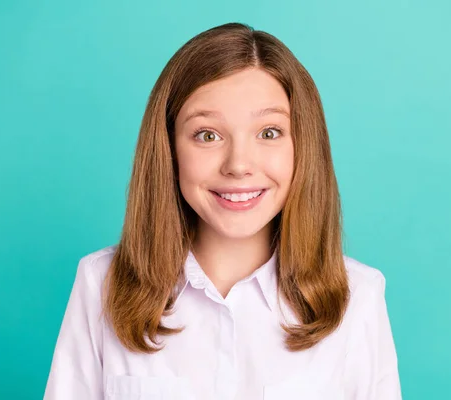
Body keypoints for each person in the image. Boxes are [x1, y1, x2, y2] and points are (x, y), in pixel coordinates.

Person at [43, 22, 402, 400]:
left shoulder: (358, 297)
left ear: (303, 147)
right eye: (207, 135)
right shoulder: (101, 284)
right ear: (169, 149)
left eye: (269, 132)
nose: (239, 165)